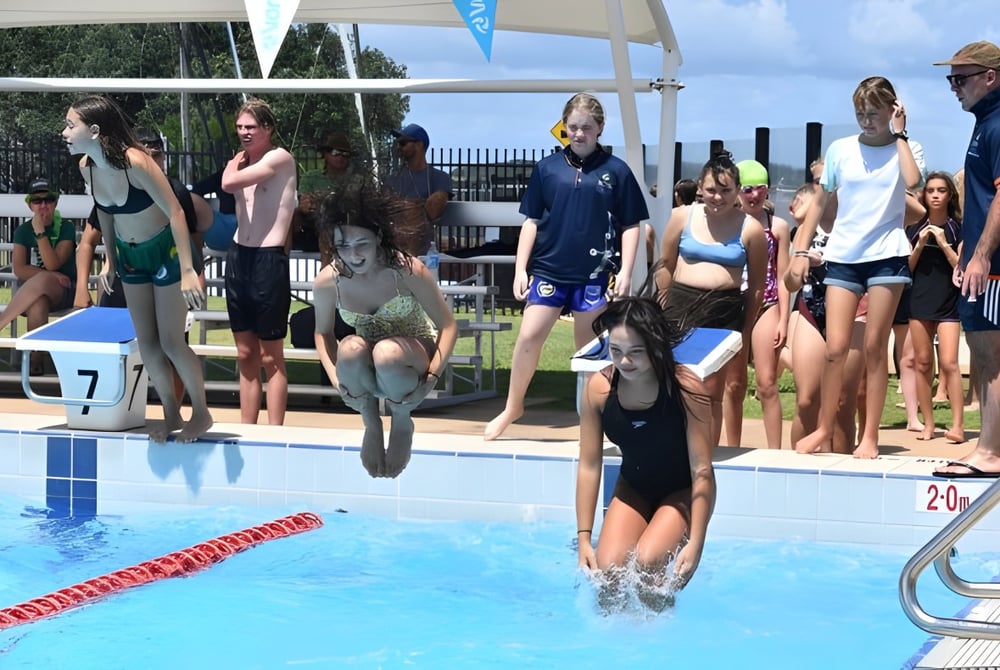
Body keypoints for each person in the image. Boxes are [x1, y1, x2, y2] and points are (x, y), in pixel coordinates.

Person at [484, 93, 649, 441]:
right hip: (548, 270)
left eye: (586, 128)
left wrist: (627, 272)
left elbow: (632, 225)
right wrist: (520, 269)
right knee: (529, 336)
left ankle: (592, 419)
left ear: (600, 128)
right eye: (572, 127)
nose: (578, 134)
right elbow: (531, 221)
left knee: (589, 353)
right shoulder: (548, 168)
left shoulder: (616, 171)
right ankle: (514, 405)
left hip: (593, 275)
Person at [63, 94, 212, 443]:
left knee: (173, 343)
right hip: (130, 255)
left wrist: (189, 270)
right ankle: (171, 414)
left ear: (95, 129)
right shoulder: (87, 166)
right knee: (147, 345)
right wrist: (112, 258)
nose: (64, 132)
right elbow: (106, 212)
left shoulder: (137, 162)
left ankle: (201, 413)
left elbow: (175, 211)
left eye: (71, 125)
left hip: (166, 251)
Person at [788, 76, 921, 459]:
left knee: (876, 348)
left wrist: (900, 133)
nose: (866, 121)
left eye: (874, 114)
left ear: (892, 111)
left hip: (887, 256)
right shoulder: (841, 149)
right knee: (835, 348)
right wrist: (799, 250)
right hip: (844, 256)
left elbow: (915, 183)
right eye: (860, 114)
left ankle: (871, 436)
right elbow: (819, 201)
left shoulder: (904, 149)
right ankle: (825, 429)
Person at [575, 296, 715, 611]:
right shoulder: (599, 389)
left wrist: (696, 544)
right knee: (608, 574)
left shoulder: (685, 389)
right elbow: (589, 464)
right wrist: (584, 536)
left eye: (636, 352)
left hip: (681, 490)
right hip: (634, 488)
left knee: (648, 562)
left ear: (656, 346)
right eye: (616, 351)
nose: (625, 362)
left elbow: (703, 471)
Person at [312, 186, 458, 478]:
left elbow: (448, 326)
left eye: (361, 243)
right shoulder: (330, 280)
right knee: (349, 348)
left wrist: (431, 379)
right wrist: (335, 377)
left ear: (378, 237)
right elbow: (323, 333)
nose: (352, 255)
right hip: (369, 360)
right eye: (343, 245)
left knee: (386, 352)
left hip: (411, 358)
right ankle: (371, 422)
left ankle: (402, 419)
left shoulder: (407, 270)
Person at [655, 151, 768, 447]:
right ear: (700, 189)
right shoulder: (682, 216)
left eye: (725, 190)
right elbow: (665, 264)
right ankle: (675, 448)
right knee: (677, 381)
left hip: (724, 310)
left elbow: (756, 285)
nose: (717, 197)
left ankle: (709, 454)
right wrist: (662, 306)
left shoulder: (751, 229)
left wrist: (746, 327)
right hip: (680, 305)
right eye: (711, 190)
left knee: (712, 389)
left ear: (737, 191)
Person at [932, 42, 1000, 477]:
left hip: (993, 267)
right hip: (982, 263)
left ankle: (991, 453)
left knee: (991, 359)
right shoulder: (985, 123)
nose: (954, 87)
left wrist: (980, 257)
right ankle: (987, 446)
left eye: (961, 78)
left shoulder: (997, 125)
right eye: (950, 79)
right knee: (984, 355)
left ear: (990, 78)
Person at [220, 98, 297, 426]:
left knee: (271, 357)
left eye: (250, 127)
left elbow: (227, 183)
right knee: (245, 354)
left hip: (268, 259)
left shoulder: (280, 158)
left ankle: (275, 433)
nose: (244, 133)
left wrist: (231, 165)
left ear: (268, 128)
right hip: (240, 256)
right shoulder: (240, 162)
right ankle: (246, 428)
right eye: (239, 127)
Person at [784, 183, 867, 454]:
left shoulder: (860, 223)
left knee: (844, 402)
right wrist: (800, 264)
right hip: (812, 306)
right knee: (807, 400)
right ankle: (796, 472)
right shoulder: (806, 231)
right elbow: (789, 282)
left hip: (853, 308)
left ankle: (842, 475)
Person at [736, 160, 791, 449]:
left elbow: (782, 276)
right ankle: (729, 448)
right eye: (747, 189)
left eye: (760, 189)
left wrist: (783, 318)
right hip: (733, 305)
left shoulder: (778, 226)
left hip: (767, 305)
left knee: (767, 383)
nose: (754, 196)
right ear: (737, 191)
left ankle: (775, 452)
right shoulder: (729, 223)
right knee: (734, 386)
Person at [906, 171, 964, 443]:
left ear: (950, 194)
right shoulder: (914, 228)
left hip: (949, 302)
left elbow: (961, 268)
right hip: (920, 301)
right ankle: (928, 424)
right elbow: (907, 269)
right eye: (931, 190)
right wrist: (920, 244)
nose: (936, 195)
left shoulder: (958, 229)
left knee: (950, 363)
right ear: (924, 195)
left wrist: (942, 243)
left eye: (941, 190)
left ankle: (957, 426)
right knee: (922, 362)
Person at [0, 179, 77, 374]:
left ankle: (2, 322)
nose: (43, 205)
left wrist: (40, 233)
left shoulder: (66, 228)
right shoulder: (22, 231)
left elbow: (53, 263)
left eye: (48, 200)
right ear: (30, 204)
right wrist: (50, 274)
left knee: (44, 280)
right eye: (37, 200)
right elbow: (19, 269)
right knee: (38, 301)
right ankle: (36, 360)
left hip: (65, 290)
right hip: (30, 295)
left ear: (55, 203)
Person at [385, 123, 452, 256]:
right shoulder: (391, 179)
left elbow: (433, 211)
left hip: (421, 249)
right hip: (394, 247)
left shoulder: (439, 177)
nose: (398, 147)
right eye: (397, 143)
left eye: (403, 143)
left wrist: (406, 207)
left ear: (419, 145)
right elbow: (386, 213)